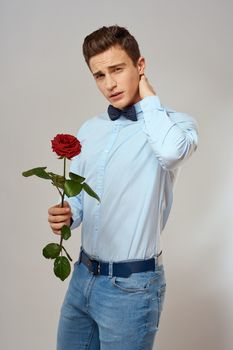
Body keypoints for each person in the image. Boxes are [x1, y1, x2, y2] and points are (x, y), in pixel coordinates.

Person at [48, 24, 199, 350]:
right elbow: (79, 198)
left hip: (132, 290)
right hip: (82, 278)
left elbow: (173, 154)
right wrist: (67, 214)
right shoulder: (90, 129)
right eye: (99, 75)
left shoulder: (173, 126)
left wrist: (150, 99)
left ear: (139, 66)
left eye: (117, 69)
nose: (109, 84)